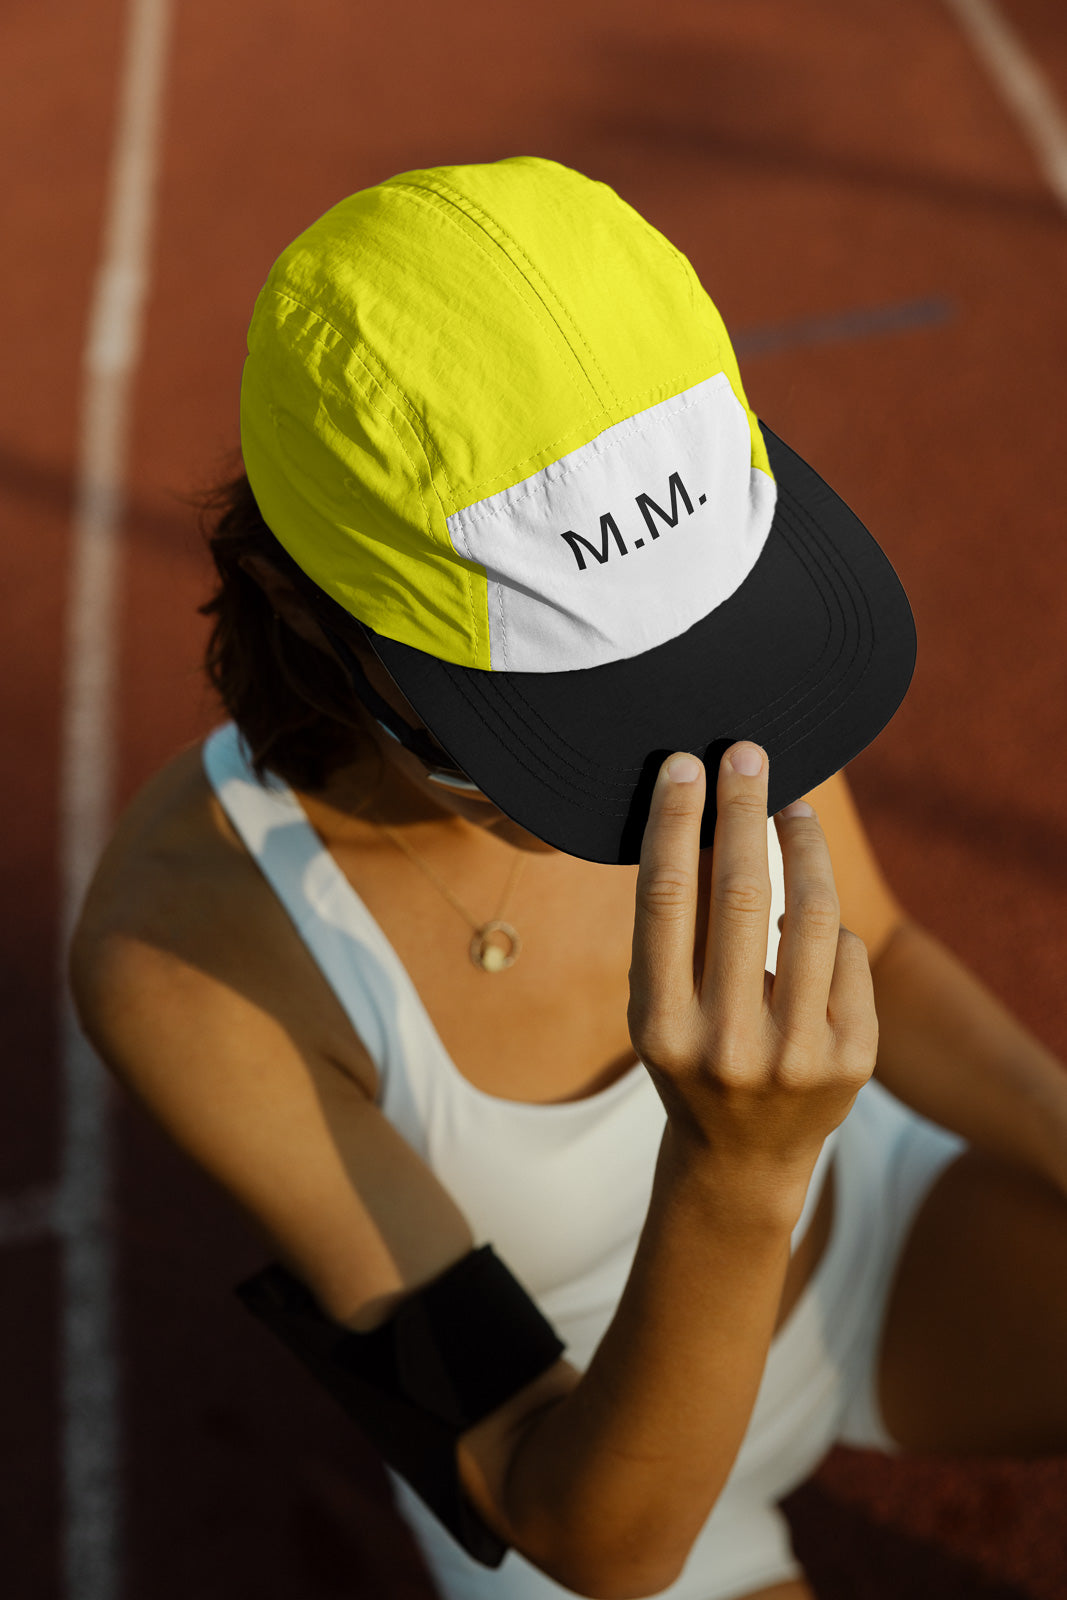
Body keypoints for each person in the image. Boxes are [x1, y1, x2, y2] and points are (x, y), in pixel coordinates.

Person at [69, 157, 1067, 1600]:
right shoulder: (184, 949)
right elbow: (592, 1536)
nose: (687, 747)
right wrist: (739, 1173)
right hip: (603, 1456)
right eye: (580, 709)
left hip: (877, 1249)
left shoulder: (719, 655)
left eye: (700, 657)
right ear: (303, 602)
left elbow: (890, 960)